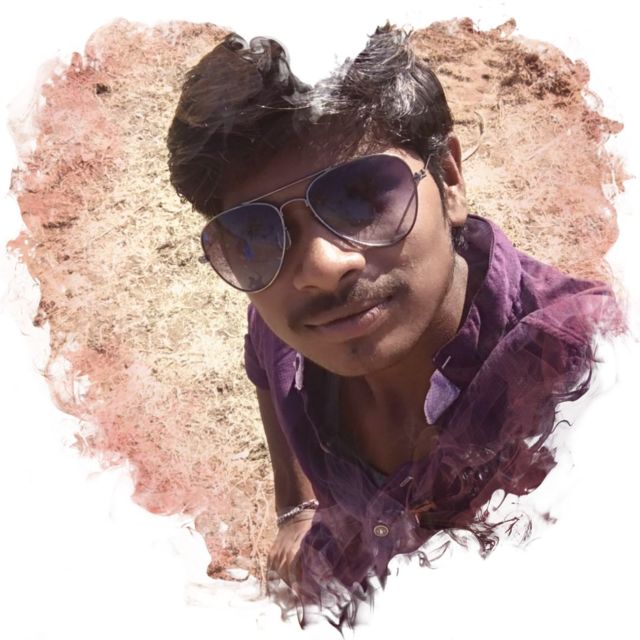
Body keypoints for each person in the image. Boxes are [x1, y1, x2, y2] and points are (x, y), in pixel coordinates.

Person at [166, 25, 623, 622]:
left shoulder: (588, 376)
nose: (319, 268)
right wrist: (296, 511)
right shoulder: (281, 323)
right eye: (256, 233)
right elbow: (265, 364)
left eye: (361, 197)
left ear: (450, 181)